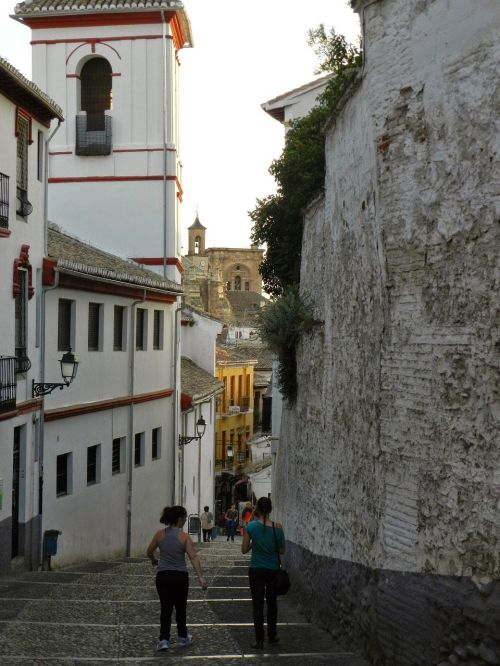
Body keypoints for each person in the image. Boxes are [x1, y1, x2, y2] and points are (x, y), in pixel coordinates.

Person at [146, 505, 208, 652]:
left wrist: (154, 560)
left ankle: (164, 640)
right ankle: (182, 637)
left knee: (165, 608)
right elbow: (193, 557)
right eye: (185, 518)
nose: (186, 520)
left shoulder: (159, 535)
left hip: (163, 576)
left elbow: (149, 551)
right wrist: (200, 578)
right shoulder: (184, 537)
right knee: (180, 608)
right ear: (179, 519)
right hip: (180, 576)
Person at [241, 496, 285, 649]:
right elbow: (282, 550)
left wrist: (255, 543)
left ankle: (259, 640)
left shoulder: (251, 527)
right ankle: (272, 636)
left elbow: (244, 550)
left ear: (257, 509)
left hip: (256, 569)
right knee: (272, 604)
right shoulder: (278, 527)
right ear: (271, 509)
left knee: (257, 605)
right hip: (273, 569)